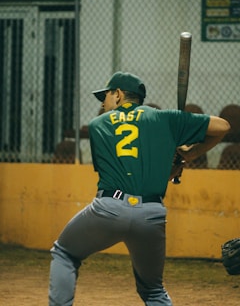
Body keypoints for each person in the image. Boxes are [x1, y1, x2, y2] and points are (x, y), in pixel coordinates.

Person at [48, 71, 230, 306]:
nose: (103, 103)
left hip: (108, 209)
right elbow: (223, 126)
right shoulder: (165, 118)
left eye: (105, 96)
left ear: (118, 94)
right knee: (153, 290)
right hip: (151, 214)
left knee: (65, 253)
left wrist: (169, 163)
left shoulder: (96, 125)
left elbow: (122, 168)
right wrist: (188, 156)